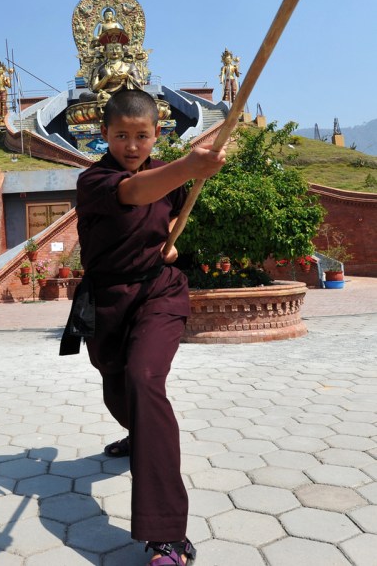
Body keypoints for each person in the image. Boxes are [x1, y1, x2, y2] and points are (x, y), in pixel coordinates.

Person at [60, 89, 226, 565]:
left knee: (143, 379)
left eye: (142, 135)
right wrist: (186, 167)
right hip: (109, 301)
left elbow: (174, 212)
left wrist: (172, 245)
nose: (132, 145)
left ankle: (167, 536)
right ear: (104, 137)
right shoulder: (94, 180)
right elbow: (134, 194)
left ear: (157, 134)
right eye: (121, 135)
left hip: (159, 292)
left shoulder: (167, 177)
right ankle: (142, 433)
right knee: (118, 391)